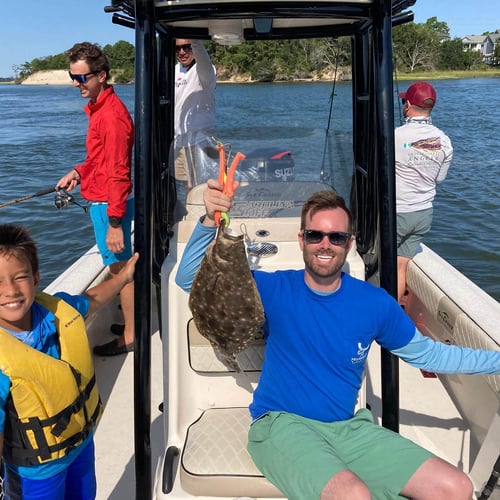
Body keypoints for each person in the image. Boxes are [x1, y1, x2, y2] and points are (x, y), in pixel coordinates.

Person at [175, 180, 500, 500]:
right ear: (302, 240)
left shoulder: (375, 304)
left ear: (350, 242)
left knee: (456, 488)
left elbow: (430, 356)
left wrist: (497, 360)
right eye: (315, 235)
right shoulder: (274, 289)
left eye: (336, 236)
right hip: (281, 424)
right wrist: (208, 220)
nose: (325, 244)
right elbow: (189, 278)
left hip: (348, 429)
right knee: (353, 494)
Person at [0, 224, 138, 499]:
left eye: (20, 277)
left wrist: (123, 278)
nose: (11, 290)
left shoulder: (58, 310)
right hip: (36, 475)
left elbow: (92, 299)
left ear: (37, 278)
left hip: (81, 448)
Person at [55, 42, 135, 356]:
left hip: (108, 206)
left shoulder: (112, 117)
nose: (76, 84)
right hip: (104, 202)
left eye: (82, 78)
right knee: (121, 269)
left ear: (101, 75)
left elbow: (118, 172)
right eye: (72, 77)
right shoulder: (99, 109)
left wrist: (115, 223)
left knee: (122, 272)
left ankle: (131, 334)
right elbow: (98, 159)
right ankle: (131, 323)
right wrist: (79, 170)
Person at [395, 81, 453, 303]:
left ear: (408, 105)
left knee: (383, 265)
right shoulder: (444, 141)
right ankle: (392, 314)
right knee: (401, 266)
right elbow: (439, 179)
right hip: (423, 214)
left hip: (399, 214)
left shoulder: (396, 136)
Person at [174, 38, 217, 194]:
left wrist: (195, 39)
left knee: (199, 186)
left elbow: (202, 55)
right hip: (178, 139)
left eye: (187, 47)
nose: (182, 52)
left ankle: (202, 216)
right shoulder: (174, 70)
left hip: (199, 139)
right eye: (178, 48)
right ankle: (190, 214)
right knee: (186, 185)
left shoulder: (205, 71)